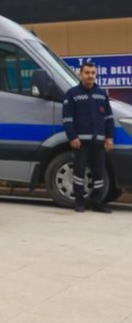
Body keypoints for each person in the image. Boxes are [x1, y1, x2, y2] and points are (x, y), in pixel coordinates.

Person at [62, 61, 114, 213]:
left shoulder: (102, 93)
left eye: (93, 73)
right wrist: (72, 137)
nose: (90, 76)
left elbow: (109, 117)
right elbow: (67, 118)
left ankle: (97, 202)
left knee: (99, 172)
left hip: (99, 141)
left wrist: (109, 137)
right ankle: (79, 202)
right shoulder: (72, 94)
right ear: (81, 74)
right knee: (79, 171)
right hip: (80, 142)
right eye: (87, 73)